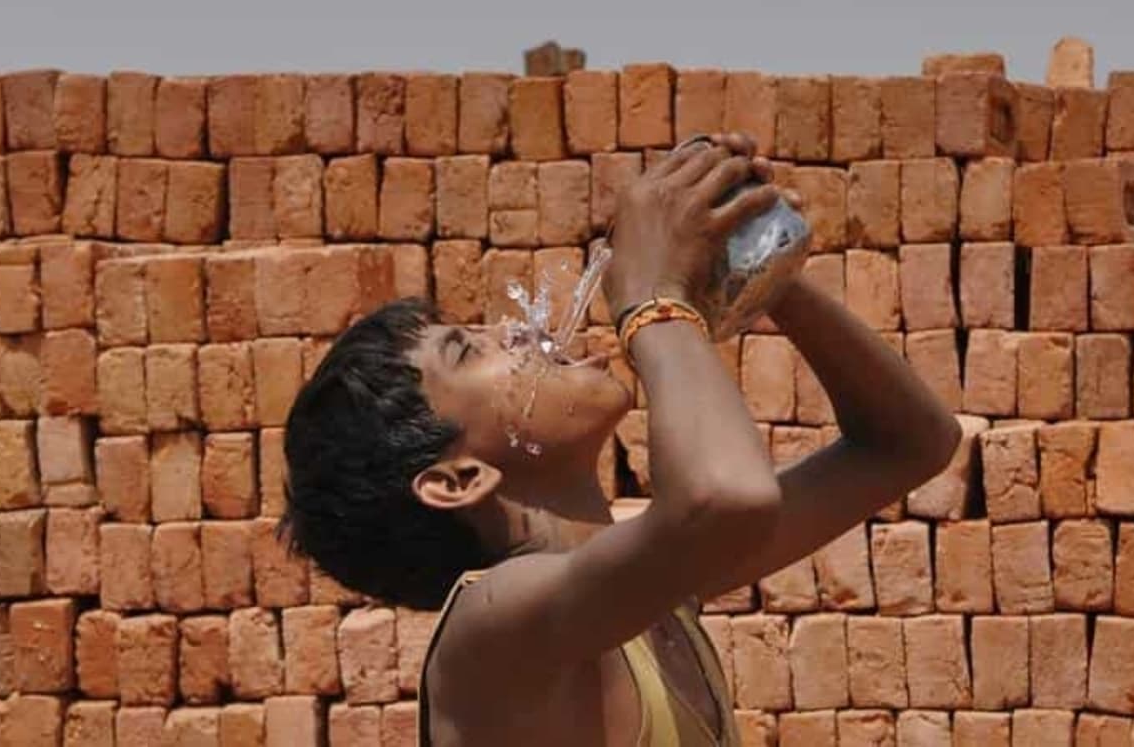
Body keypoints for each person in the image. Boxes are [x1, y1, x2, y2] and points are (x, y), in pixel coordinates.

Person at [279, 133, 962, 746]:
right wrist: (654, 298)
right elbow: (727, 497)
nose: (514, 332)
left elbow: (909, 443)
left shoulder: (647, 582)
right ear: (457, 480)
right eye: (468, 351)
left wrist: (754, 270)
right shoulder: (490, 630)